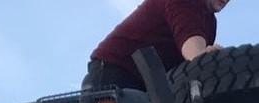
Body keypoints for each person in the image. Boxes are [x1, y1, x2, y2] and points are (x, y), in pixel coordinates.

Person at [85, 0, 230, 91]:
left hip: (151, 87)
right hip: (115, 72)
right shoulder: (184, 2)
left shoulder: (210, 23)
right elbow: (196, 56)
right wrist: (211, 59)